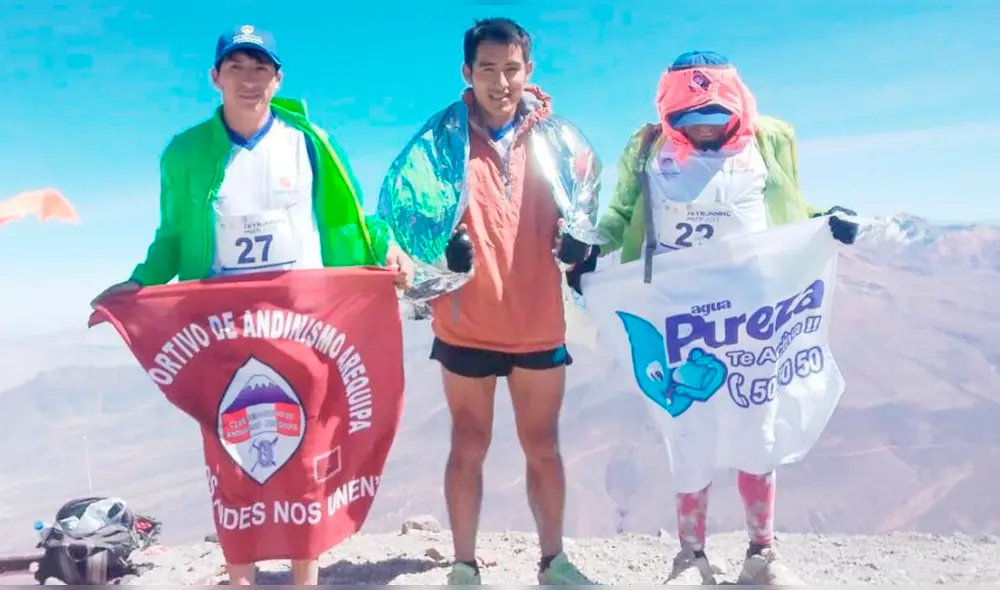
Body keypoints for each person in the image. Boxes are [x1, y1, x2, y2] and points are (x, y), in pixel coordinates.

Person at [90, 24, 413, 585]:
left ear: (277, 78)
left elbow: (350, 219)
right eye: (235, 66)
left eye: (260, 67)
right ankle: (240, 580)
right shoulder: (185, 152)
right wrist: (137, 285)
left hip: (303, 325)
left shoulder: (309, 143)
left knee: (307, 452)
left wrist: (385, 247)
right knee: (232, 455)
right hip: (224, 332)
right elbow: (171, 238)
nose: (248, 78)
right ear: (214, 77)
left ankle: (304, 579)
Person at [587, 50, 859, 585]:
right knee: (688, 431)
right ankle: (691, 558)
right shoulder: (648, 149)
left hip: (753, 319)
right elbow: (619, 216)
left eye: (716, 117)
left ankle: (763, 554)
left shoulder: (767, 142)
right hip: (679, 318)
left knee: (758, 428)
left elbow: (791, 210)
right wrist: (590, 245)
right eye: (691, 119)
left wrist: (827, 221)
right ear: (670, 113)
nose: (705, 129)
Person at [378, 17, 596, 586]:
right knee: (468, 444)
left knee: (543, 445)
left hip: (538, 321)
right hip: (466, 322)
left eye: (512, 69)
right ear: (467, 72)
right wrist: (439, 251)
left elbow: (584, 215)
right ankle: (463, 566)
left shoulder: (560, 142)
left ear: (529, 70)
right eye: (488, 69)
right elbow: (401, 221)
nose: (501, 82)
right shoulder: (437, 144)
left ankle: (553, 562)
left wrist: (580, 244)